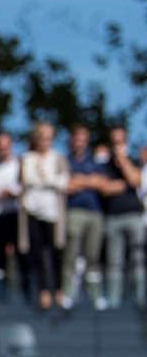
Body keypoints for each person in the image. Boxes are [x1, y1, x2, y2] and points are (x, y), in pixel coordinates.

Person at [20, 121, 69, 310]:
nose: (45, 142)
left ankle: (58, 289)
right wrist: (48, 180)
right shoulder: (27, 158)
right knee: (37, 252)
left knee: (56, 252)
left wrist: (45, 179)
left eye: (49, 138)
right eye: (42, 138)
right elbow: (27, 180)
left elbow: (62, 182)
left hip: (52, 212)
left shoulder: (58, 158)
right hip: (32, 210)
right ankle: (43, 291)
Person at [98, 126, 144, 309]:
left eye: (120, 141)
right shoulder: (103, 165)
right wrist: (122, 184)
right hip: (112, 217)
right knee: (114, 261)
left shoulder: (134, 161)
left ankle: (140, 299)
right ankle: (114, 301)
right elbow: (104, 188)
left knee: (137, 259)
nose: (117, 145)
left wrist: (123, 162)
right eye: (114, 141)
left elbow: (135, 180)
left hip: (134, 216)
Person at [61, 124, 107, 309]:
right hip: (74, 211)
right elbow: (67, 185)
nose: (80, 142)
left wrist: (80, 180)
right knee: (71, 253)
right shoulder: (65, 161)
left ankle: (95, 295)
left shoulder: (95, 162)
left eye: (83, 139)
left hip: (94, 213)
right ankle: (67, 294)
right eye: (77, 138)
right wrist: (90, 181)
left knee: (93, 255)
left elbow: (103, 184)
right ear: (72, 140)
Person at [0, 131, 24, 302]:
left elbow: (22, 188)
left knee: (20, 255)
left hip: (15, 214)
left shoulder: (18, 165)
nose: (3, 150)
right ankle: (1, 295)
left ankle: (21, 292)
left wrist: (11, 193)